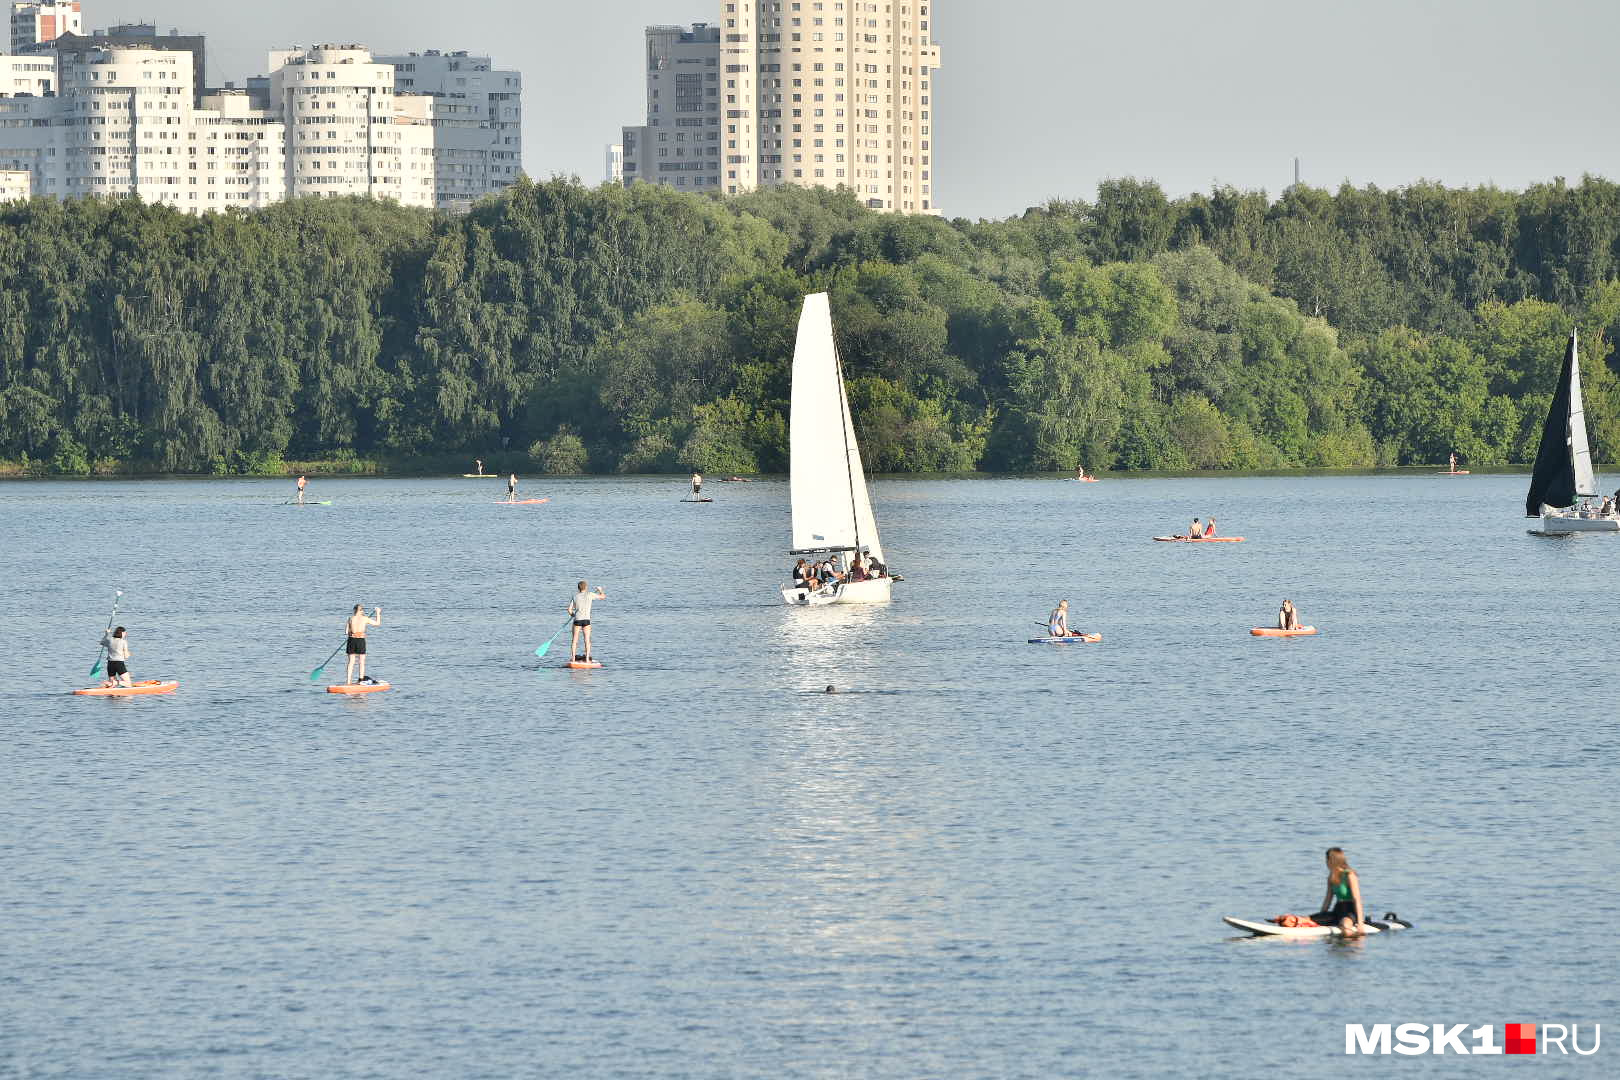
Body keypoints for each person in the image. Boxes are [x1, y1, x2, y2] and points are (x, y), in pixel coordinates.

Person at [1310, 847, 1366, 936]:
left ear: (1331, 860)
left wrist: (1360, 923)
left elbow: (1357, 900)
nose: (1326, 862)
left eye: (1327, 859)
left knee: (1345, 925)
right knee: (1309, 919)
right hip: (1337, 909)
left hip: (1350, 910)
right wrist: (1321, 916)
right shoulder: (1331, 877)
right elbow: (1328, 900)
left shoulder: (1349, 875)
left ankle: (1350, 945)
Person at [569, 581, 607, 662]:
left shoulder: (575, 596)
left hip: (577, 620)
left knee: (574, 640)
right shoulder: (590, 594)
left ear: (578, 588)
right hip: (586, 620)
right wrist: (600, 590)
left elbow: (569, 609)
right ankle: (587, 659)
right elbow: (603, 597)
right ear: (586, 587)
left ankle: (573, 659)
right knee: (587, 640)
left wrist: (572, 615)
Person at [344, 604, 382, 685]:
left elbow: (346, 632)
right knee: (361, 661)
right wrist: (378, 612)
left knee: (351, 662)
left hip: (351, 640)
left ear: (354, 610)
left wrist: (351, 632)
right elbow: (377, 623)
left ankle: (348, 681)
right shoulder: (365, 618)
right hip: (360, 640)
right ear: (361, 611)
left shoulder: (350, 618)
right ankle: (361, 680)